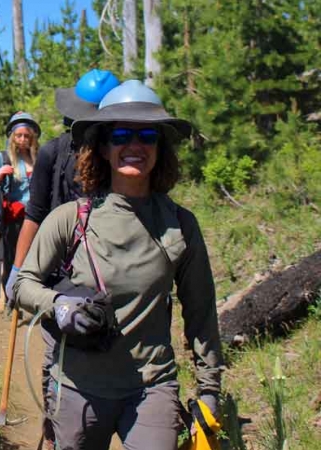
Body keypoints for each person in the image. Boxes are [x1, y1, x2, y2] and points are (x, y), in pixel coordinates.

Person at [14, 80, 225, 450]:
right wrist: (58, 305)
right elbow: (22, 284)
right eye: (122, 134)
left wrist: (209, 390)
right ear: (103, 148)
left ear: (161, 147)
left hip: (152, 386)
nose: (135, 145)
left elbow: (202, 311)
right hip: (78, 389)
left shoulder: (179, 224)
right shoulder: (71, 218)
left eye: (148, 135)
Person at [2, 69, 120, 450]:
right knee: (60, 361)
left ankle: (68, 429)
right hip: (62, 278)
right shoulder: (55, 152)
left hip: (100, 279)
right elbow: (35, 216)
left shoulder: (120, 155)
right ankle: (55, 433)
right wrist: (19, 272)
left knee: (80, 361)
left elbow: (34, 216)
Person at [0, 111, 41, 293]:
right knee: (12, 258)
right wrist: (0, 176)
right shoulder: (3, 157)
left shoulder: (39, 156)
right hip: (14, 218)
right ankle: (11, 298)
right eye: (19, 135)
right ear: (12, 137)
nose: (23, 139)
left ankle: (32, 295)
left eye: (26, 135)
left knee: (37, 257)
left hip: (38, 215)